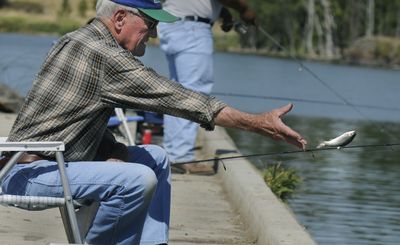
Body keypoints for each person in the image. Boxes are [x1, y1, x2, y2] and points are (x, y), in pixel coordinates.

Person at [0, 0, 306, 244]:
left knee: (156, 158)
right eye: (150, 23)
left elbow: (72, 116)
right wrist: (257, 122)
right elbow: (177, 97)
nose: (155, 33)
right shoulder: (105, 55)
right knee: (136, 179)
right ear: (120, 18)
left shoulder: (80, 39)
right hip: (30, 172)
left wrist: (111, 149)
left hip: (53, 159)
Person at [158, 0, 257, 173]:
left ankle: (173, 153)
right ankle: (181, 156)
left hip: (173, 24)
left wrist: (222, 13)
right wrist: (245, 9)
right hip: (192, 29)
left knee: (177, 92)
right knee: (194, 93)